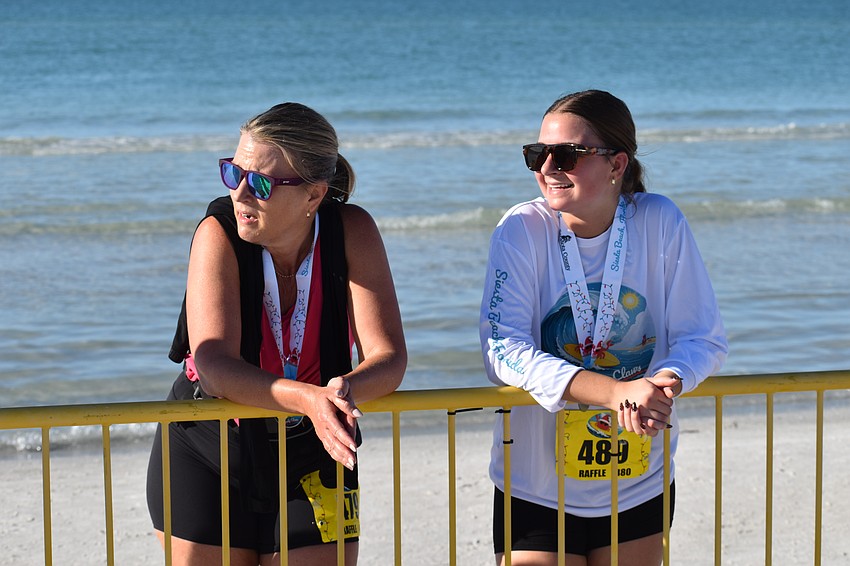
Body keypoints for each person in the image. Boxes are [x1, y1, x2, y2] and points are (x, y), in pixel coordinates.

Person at [146, 102, 407, 566]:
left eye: (262, 183)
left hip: (314, 444)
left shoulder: (353, 230)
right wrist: (309, 397)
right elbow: (214, 367)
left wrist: (344, 391)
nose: (241, 195)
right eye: (234, 173)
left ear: (314, 195)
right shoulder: (217, 232)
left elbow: (389, 357)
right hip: (209, 444)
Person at [479, 90, 727, 566]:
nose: (548, 166)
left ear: (617, 164)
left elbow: (703, 338)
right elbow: (501, 350)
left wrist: (663, 382)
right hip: (536, 485)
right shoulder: (521, 228)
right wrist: (613, 392)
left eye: (567, 155)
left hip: (639, 480)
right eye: (538, 154)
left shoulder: (660, 220)